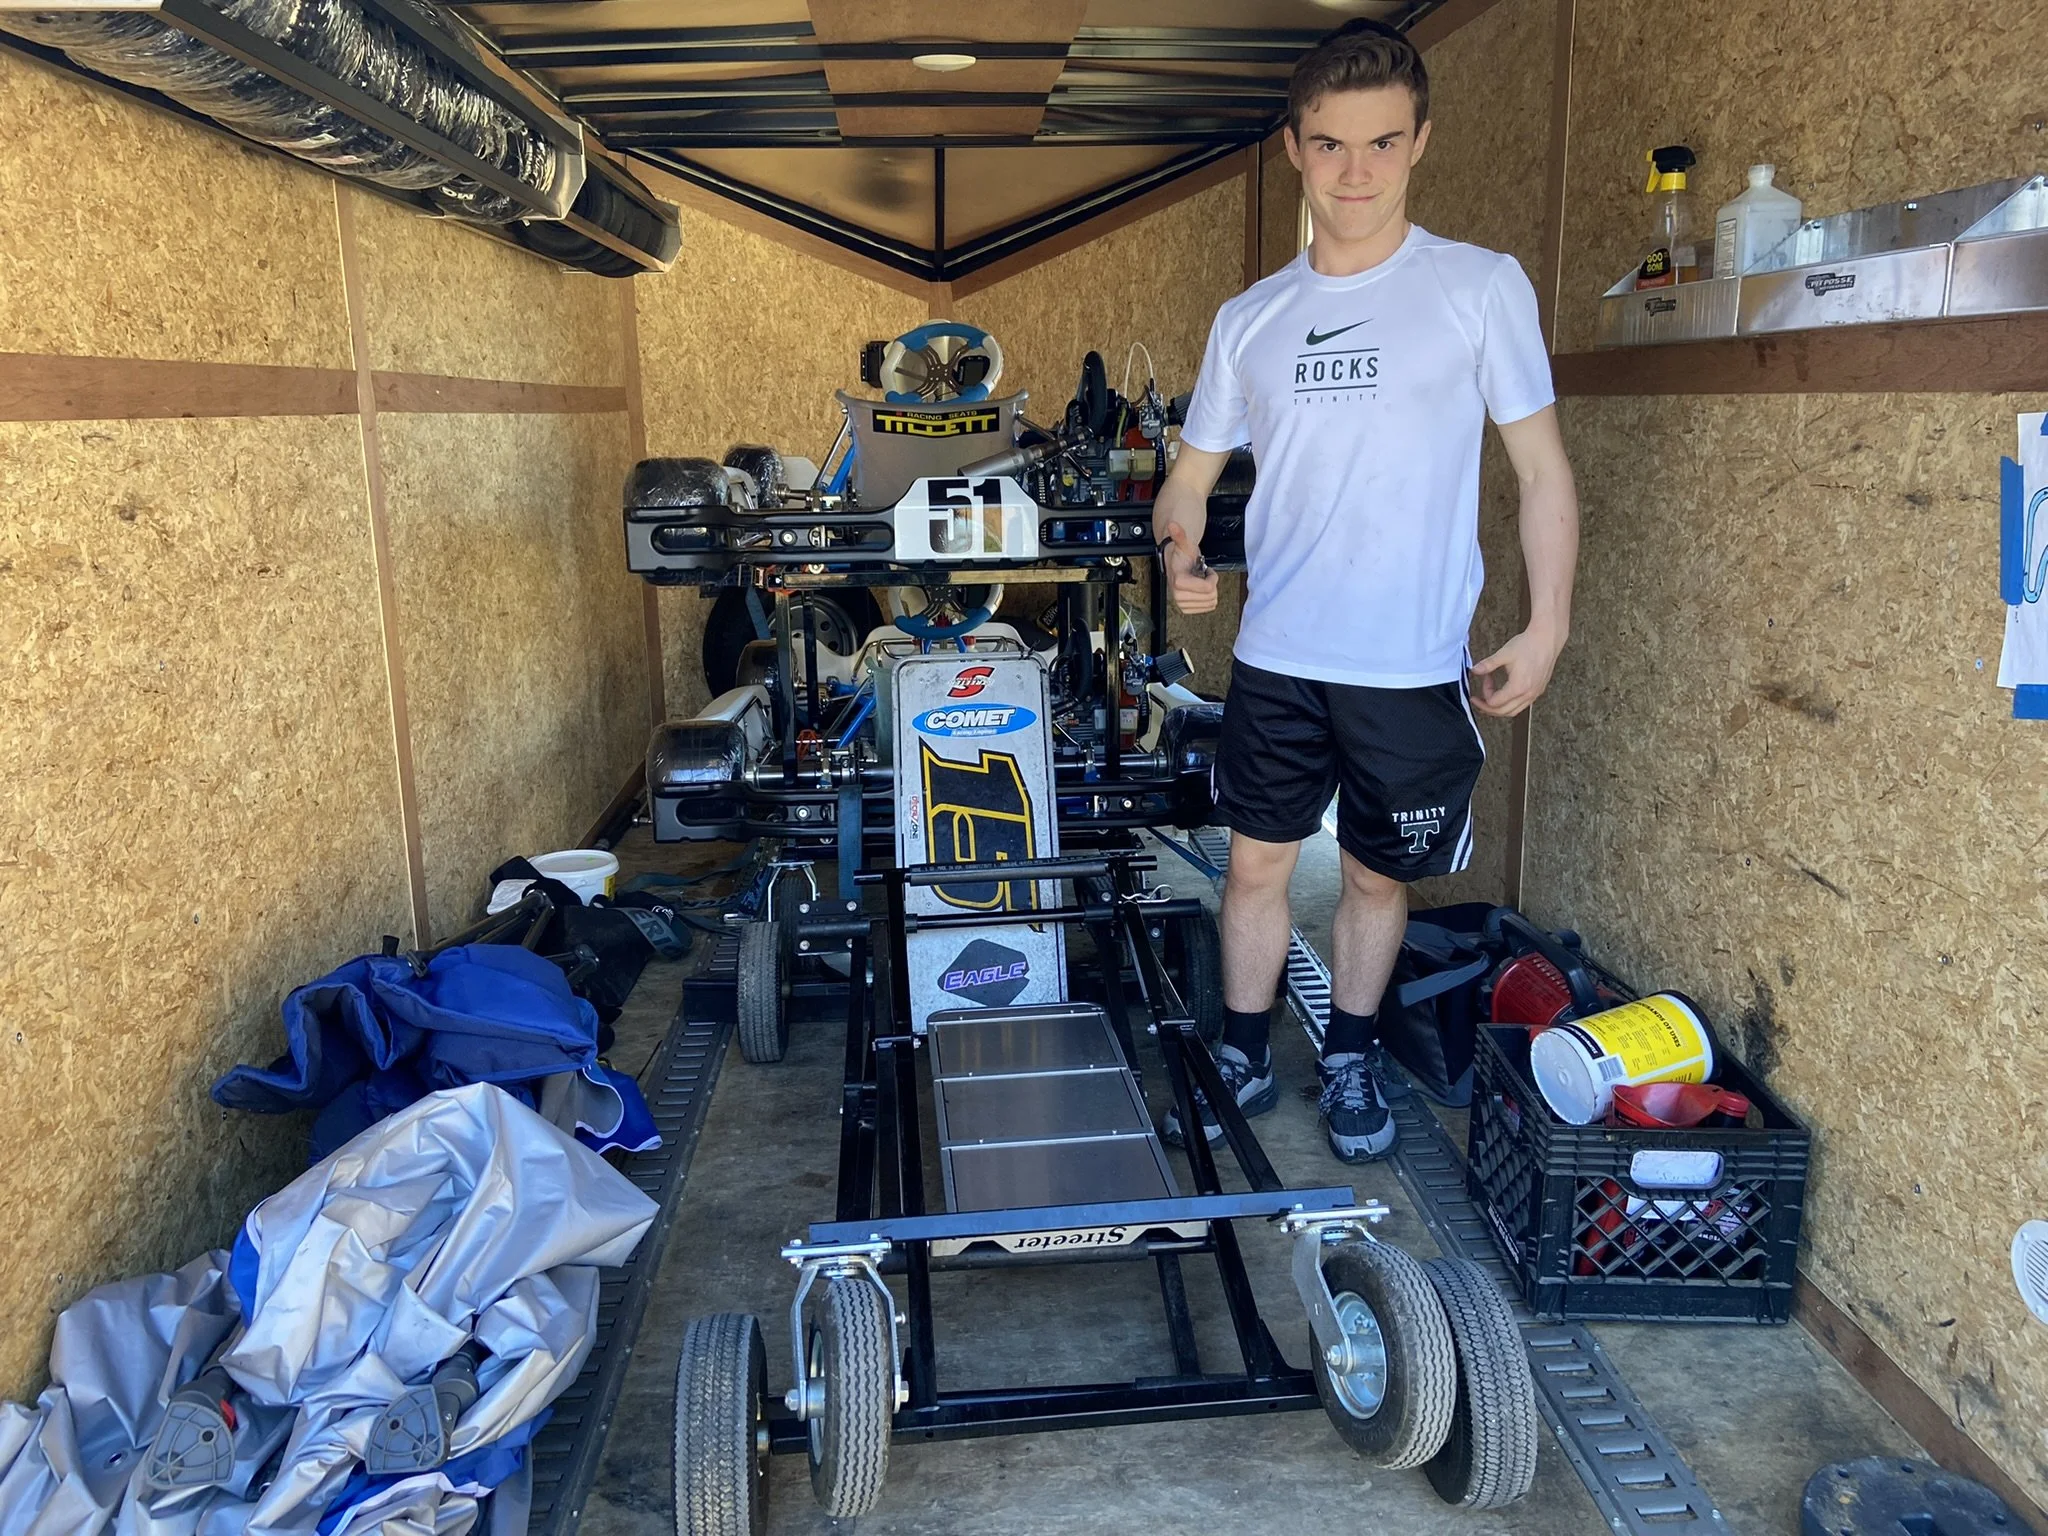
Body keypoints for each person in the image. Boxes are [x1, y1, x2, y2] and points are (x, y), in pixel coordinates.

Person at [1151, 17, 1579, 1163]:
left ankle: (1345, 1055)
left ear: (1419, 142)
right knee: (1253, 862)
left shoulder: (1478, 288)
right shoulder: (1249, 319)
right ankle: (1241, 1047)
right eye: (1330, 145)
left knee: (1379, 881)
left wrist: (1546, 626)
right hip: (1280, 654)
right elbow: (1185, 479)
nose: (1355, 173)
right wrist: (1178, 548)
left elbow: (1541, 471)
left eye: (1381, 144)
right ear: (1293, 146)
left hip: (1408, 664)